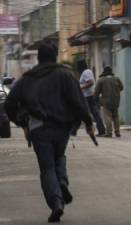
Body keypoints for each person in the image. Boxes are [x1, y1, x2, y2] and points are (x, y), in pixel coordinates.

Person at [5, 41, 94, 223]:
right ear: (55, 57)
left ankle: (56, 202)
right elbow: (78, 102)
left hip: (38, 129)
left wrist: (22, 123)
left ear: (38, 57)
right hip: (61, 128)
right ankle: (61, 182)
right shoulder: (66, 75)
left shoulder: (28, 78)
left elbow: (9, 104)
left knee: (47, 167)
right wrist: (88, 122)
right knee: (59, 156)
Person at [76, 59, 105, 136]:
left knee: (83, 112)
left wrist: (81, 87)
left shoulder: (85, 72)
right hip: (91, 96)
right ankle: (101, 130)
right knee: (95, 114)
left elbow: (91, 82)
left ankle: (73, 130)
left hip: (89, 96)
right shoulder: (88, 71)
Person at [94, 66, 124, 138]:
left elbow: (96, 92)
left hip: (106, 101)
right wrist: (116, 92)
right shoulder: (117, 79)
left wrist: (95, 99)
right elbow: (121, 87)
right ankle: (117, 132)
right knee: (115, 116)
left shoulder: (101, 80)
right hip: (116, 101)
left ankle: (109, 133)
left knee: (108, 116)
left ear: (104, 72)